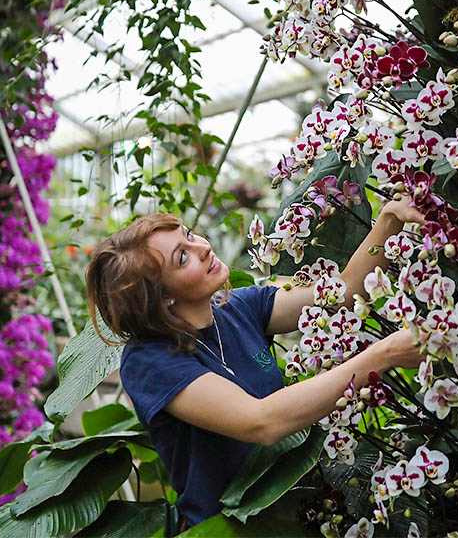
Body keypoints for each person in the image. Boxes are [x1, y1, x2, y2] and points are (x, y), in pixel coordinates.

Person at [85, 196, 426, 535]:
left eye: (189, 235)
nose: (202, 246)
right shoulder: (149, 362)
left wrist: (389, 220)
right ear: (161, 297)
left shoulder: (240, 307)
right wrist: (382, 356)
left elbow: (345, 292)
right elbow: (262, 422)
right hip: (226, 529)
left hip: (296, 515)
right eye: (183, 256)